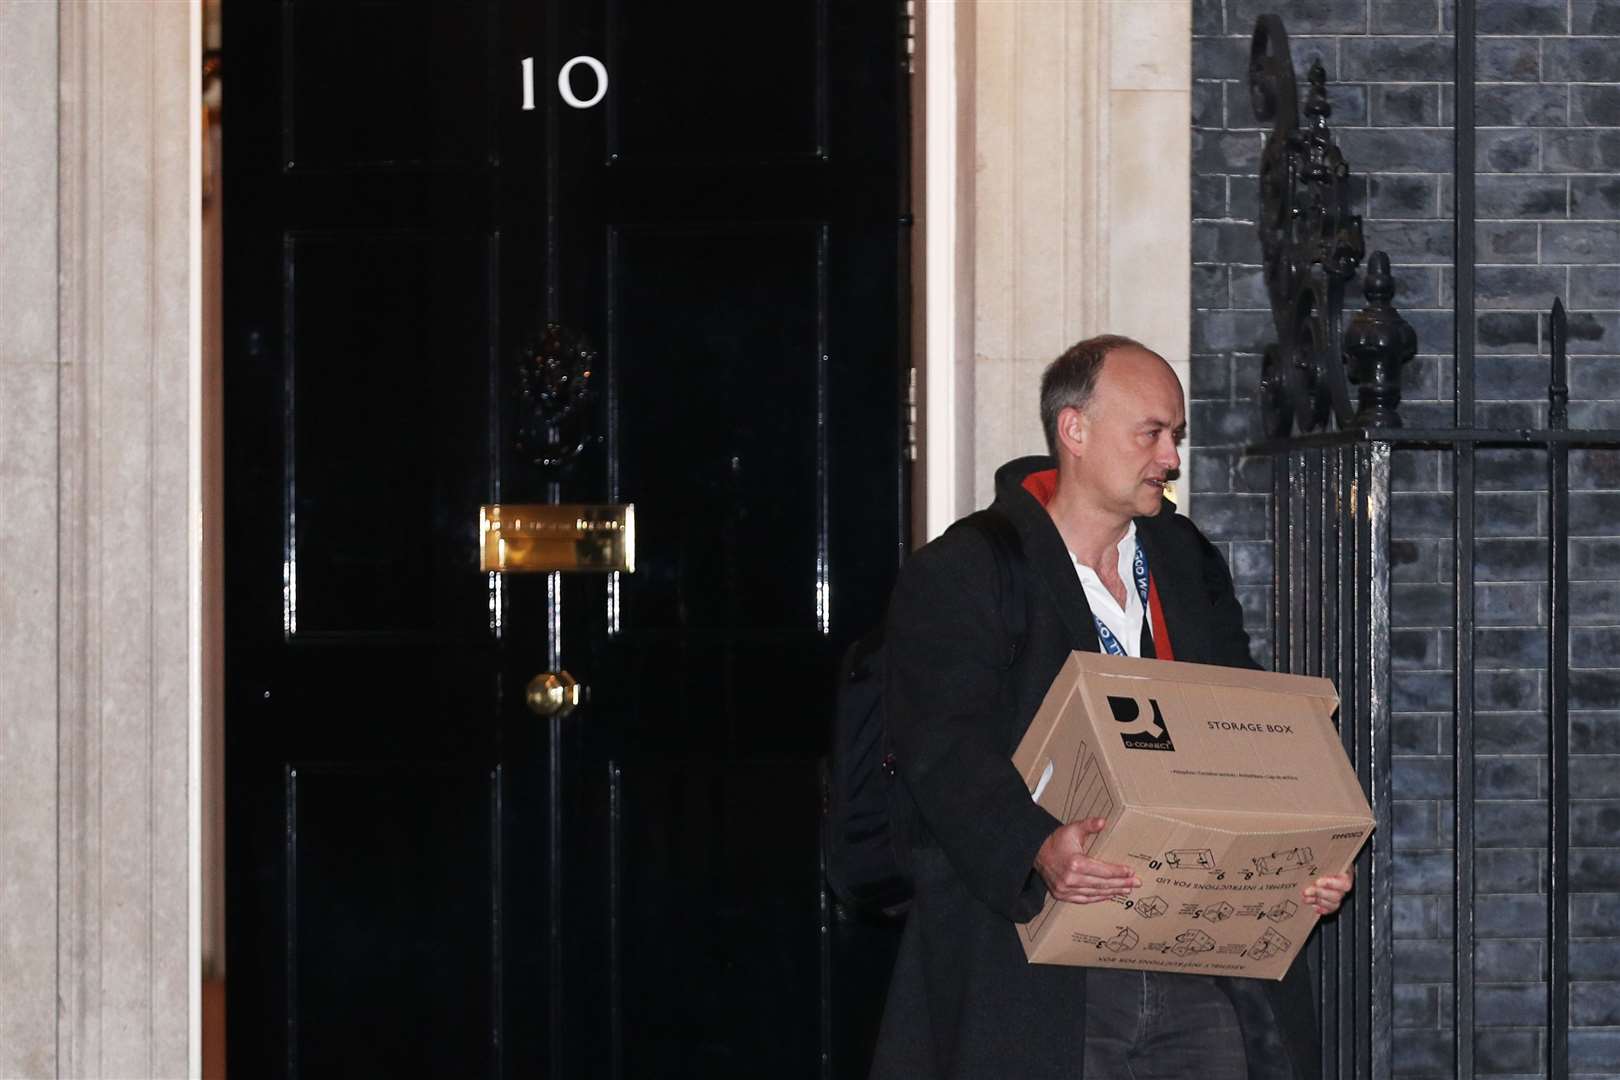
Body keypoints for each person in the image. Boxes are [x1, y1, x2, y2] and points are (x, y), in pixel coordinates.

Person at [870, 335, 1353, 1080]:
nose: (1171, 459)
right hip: (1037, 968)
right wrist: (1036, 844)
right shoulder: (966, 567)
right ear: (1076, 430)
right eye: (1152, 433)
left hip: (1192, 958)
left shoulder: (1184, 559)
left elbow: (1249, 726)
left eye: (1177, 436)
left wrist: (1297, 855)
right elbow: (944, 750)